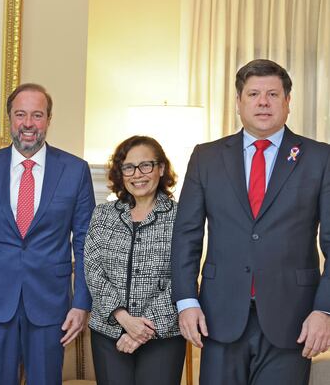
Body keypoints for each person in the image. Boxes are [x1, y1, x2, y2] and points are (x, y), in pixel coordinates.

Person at [172, 59, 330, 385]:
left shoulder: (320, 157)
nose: (263, 102)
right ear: (238, 103)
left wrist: (324, 310)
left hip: (294, 319)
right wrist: (186, 301)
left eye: (273, 94)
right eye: (253, 94)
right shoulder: (206, 157)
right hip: (218, 315)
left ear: (288, 102)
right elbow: (186, 236)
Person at [0, 83, 95, 385]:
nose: (28, 124)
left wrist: (81, 302)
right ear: (9, 118)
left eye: (37, 115)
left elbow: (87, 241)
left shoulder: (75, 170)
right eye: (20, 114)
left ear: (49, 120)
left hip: (51, 301)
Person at [84, 135, 185, 385]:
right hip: (109, 333)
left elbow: (184, 275)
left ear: (161, 169)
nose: (137, 174)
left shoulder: (181, 216)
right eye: (128, 167)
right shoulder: (103, 214)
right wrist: (123, 318)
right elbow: (93, 269)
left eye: (146, 165)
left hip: (163, 335)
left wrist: (141, 331)